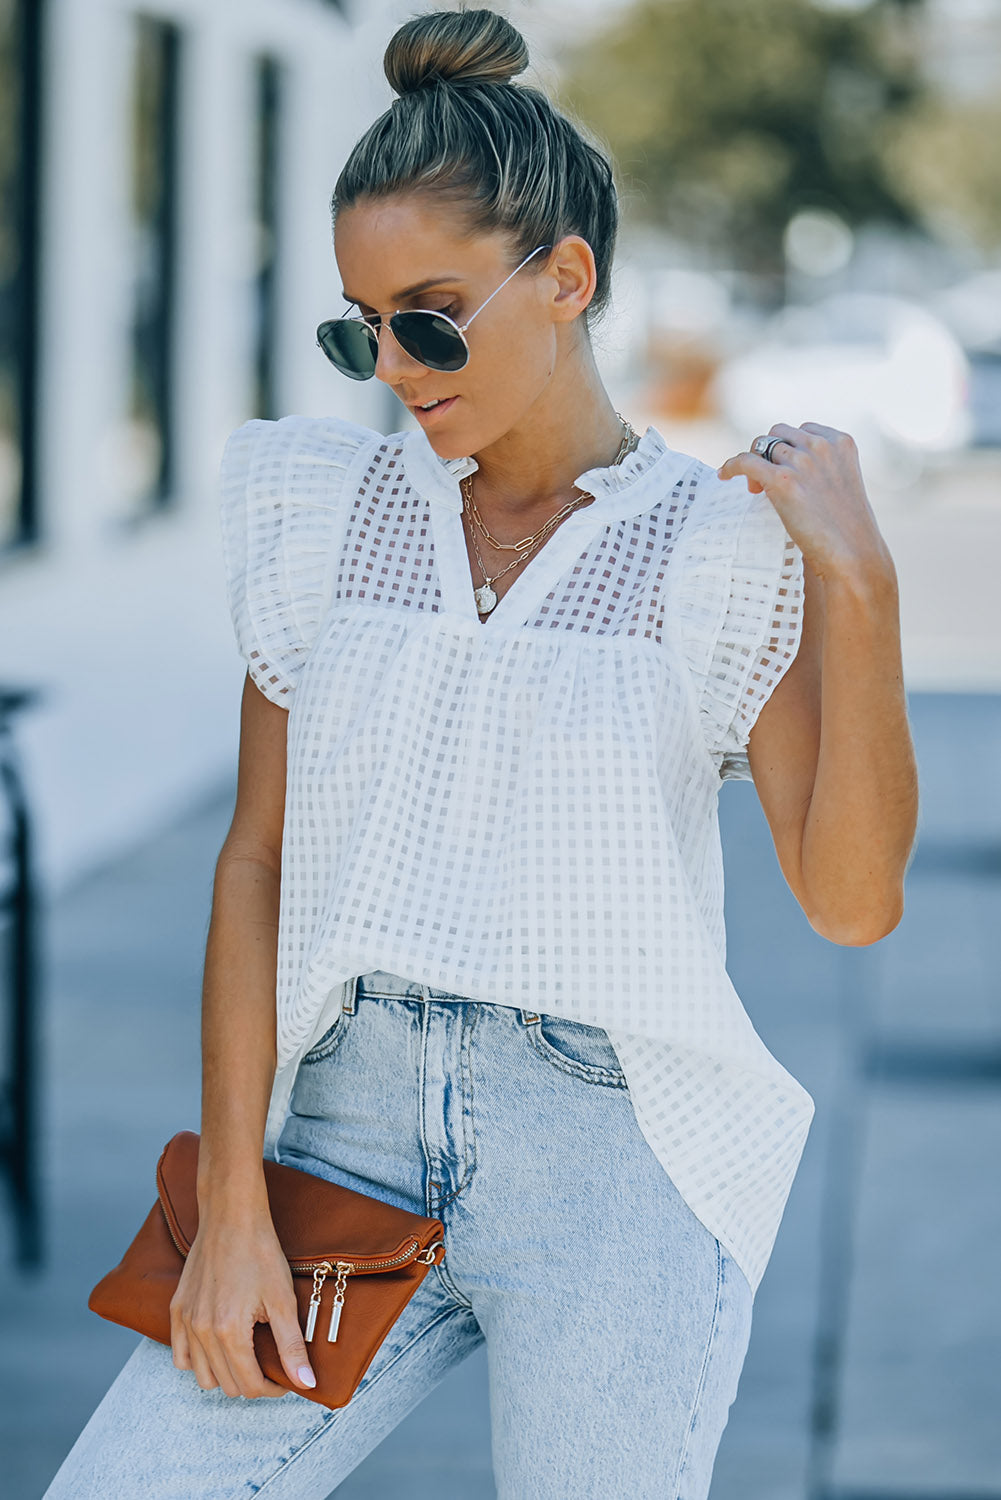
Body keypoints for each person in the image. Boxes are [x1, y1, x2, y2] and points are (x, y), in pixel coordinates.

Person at [43, 7, 918, 1498]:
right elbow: (253, 861)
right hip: (342, 1129)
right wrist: (234, 1203)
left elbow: (847, 904)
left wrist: (860, 587)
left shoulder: (716, 555)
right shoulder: (323, 511)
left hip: (615, 1157)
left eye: (428, 317)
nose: (390, 364)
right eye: (359, 323)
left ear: (563, 278)